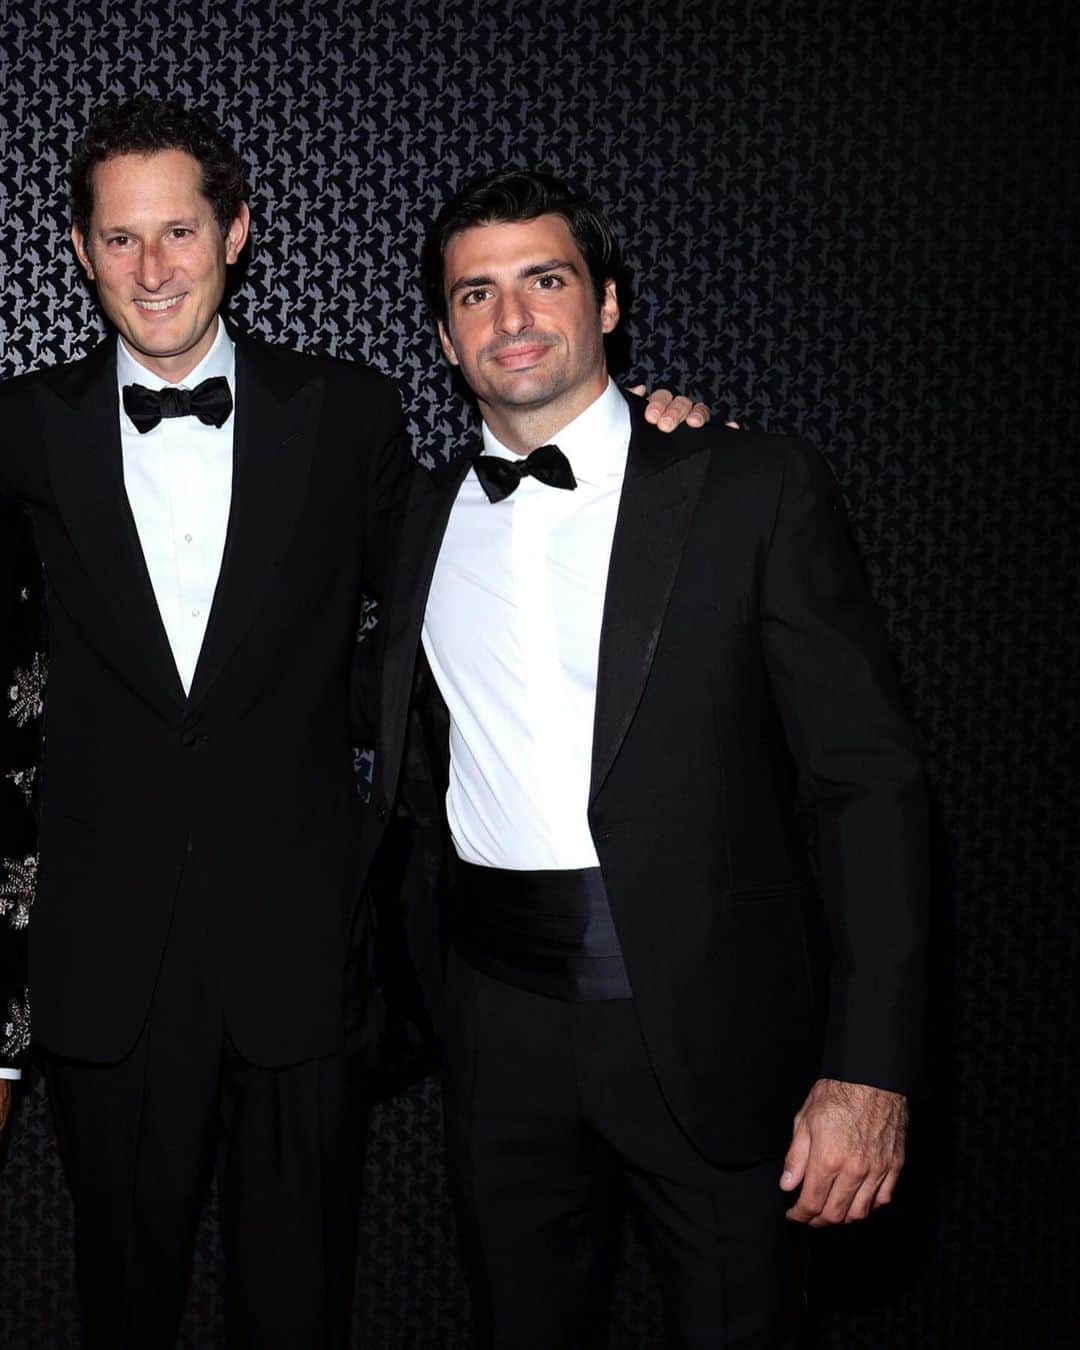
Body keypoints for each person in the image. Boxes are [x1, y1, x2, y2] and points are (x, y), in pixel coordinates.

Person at [0, 97, 702, 1345]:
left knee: (301, 1311)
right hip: (102, 971)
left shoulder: (348, 416)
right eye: (120, 240)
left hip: (302, 962)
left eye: (179, 231)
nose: (152, 268)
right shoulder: (17, 431)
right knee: (117, 1306)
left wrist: (637, 447)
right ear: (77, 252)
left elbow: (466, 579)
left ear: (240, 234)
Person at [365, 169, 930, 1348]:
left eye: (545, 281)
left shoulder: (747, 486)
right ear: (442, 332)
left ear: (608, 303)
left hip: (711, 1023)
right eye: (477, 293)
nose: (512, 318)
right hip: (495, 1024)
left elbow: (867, 788)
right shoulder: (416, 518)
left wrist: (869, 1070)